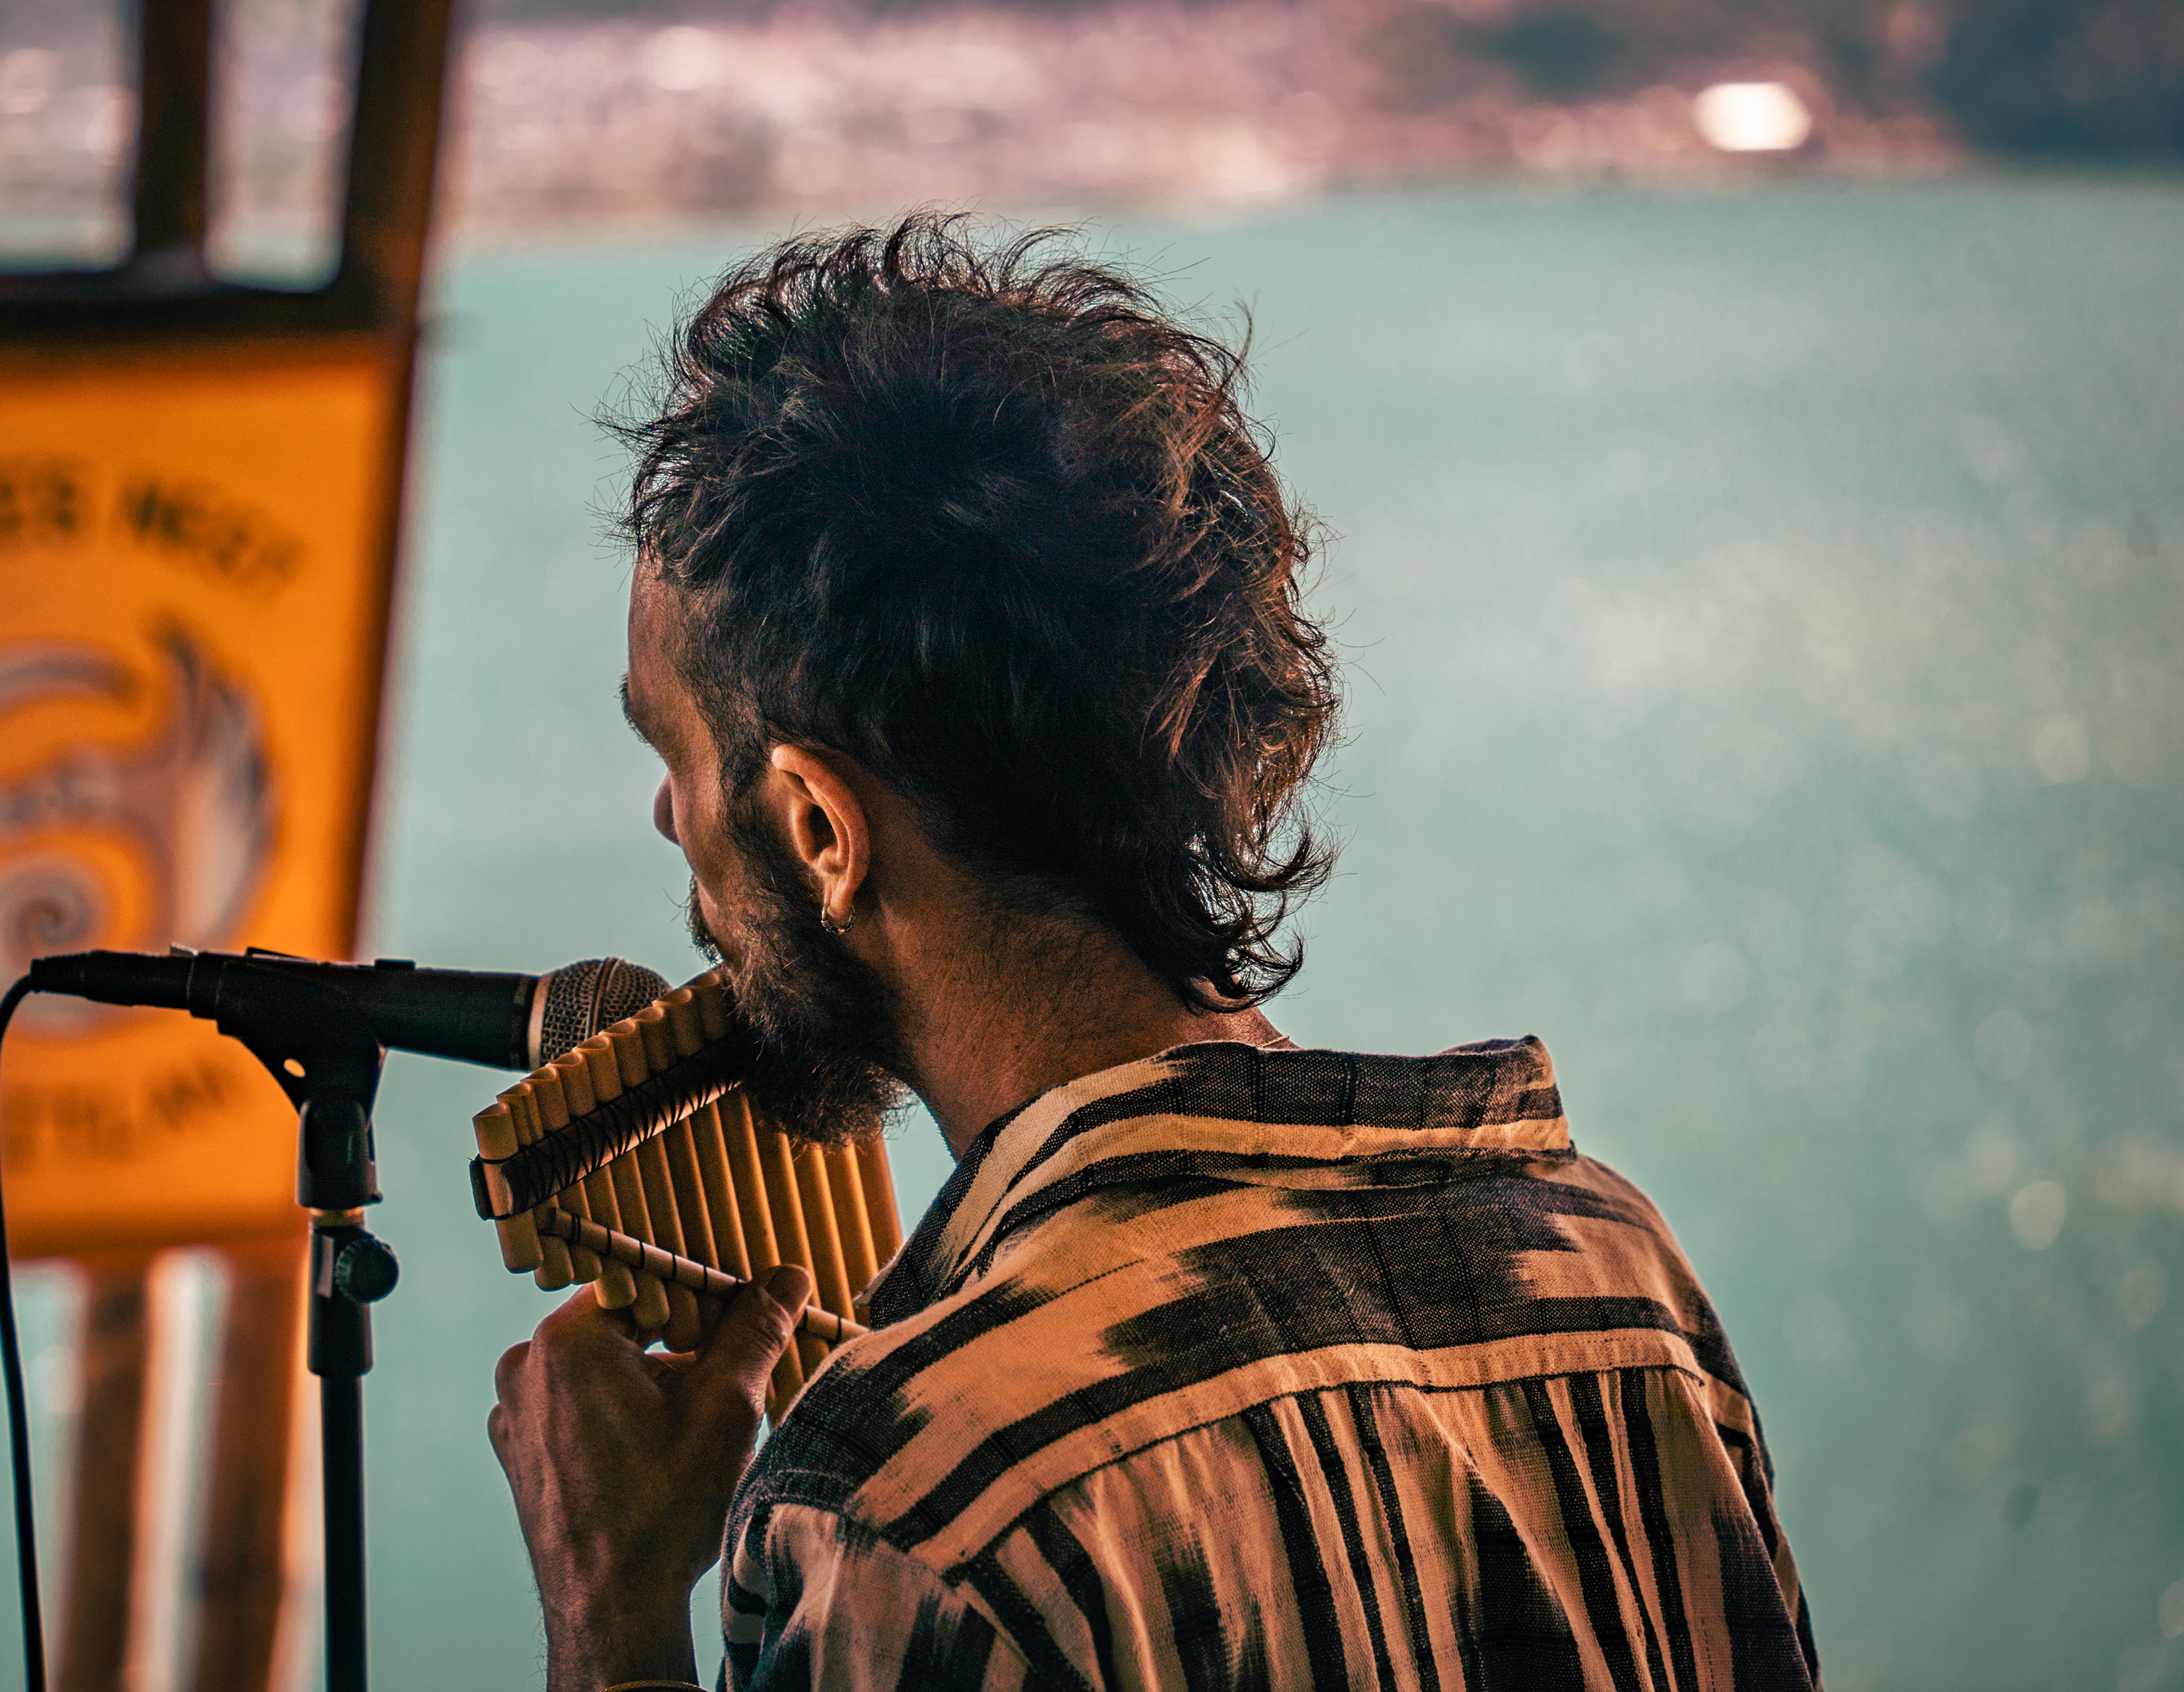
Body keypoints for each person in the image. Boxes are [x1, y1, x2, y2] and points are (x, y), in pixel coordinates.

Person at [486, 214, 1817, 1691]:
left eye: (673, 753)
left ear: (817, 831)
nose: (669, 816)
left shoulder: (906, 1508)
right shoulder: (1623, 1287)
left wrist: (608, 1625)